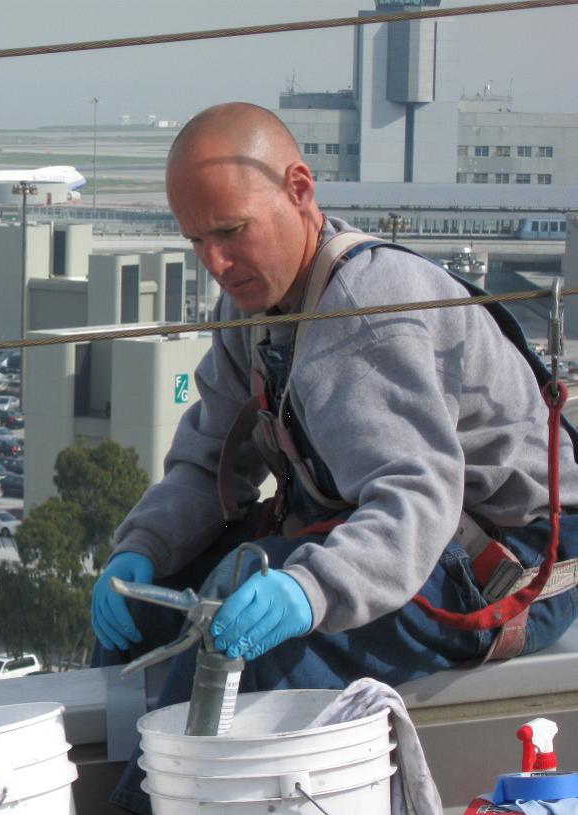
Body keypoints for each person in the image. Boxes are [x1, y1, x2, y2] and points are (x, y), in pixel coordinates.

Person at [90, 103, 578, 814]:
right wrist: (140, 553)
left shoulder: (365, 310)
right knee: (148, 609)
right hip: (402, 535)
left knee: (258, 642)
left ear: (298, 189)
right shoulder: (252, 311)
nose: (215, 264)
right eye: (196, 240)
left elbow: (416, 501)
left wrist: (309, 590)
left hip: (513, 561)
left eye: (230, 232)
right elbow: (206, 468)